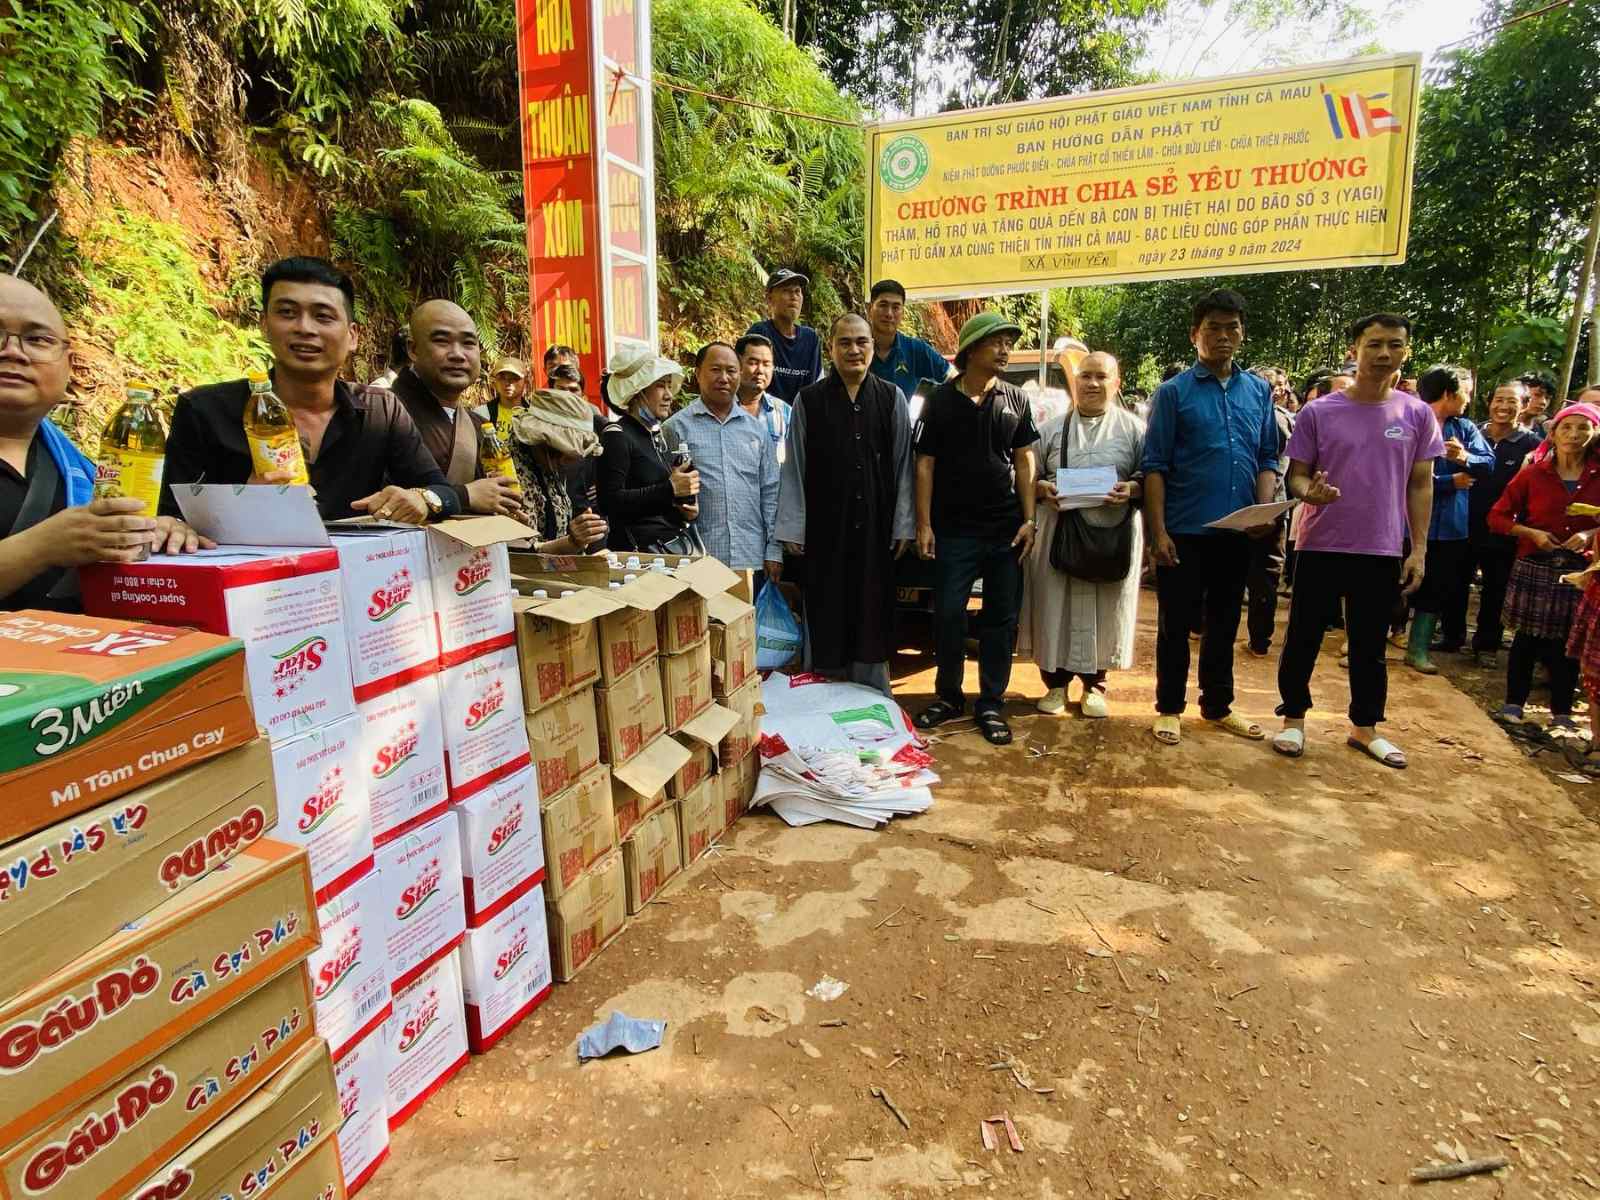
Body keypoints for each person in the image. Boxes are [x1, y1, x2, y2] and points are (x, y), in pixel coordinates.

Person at [162, 256, 463, 524]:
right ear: (264, 324)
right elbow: (170, 517)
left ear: (352, 336)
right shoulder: (204, 411)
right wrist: (242, 503)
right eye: (287, 313)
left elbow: (441, 490)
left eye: (323, 316)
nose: (305, 328)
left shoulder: (381, 411)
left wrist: (422, 499)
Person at [1270, 313, 1439, 769]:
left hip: (1381, 546)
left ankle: (1365, 728)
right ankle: (1293, 719)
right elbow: (1296, 476)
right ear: (1355, 350)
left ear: (1406, 351)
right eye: (1374, 344)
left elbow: (1420, 484)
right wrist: (1310, 493)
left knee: (1369, 644)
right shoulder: (1319, 412)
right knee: (1303, 636)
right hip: (1320, 542)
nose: (1384, 353)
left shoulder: (1416, 414)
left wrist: (1419, 548)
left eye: (1395, 345)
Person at [0, 275, 209, 610]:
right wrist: (43, 545)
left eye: (37, 339)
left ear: (68, 365)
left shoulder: (76, 470)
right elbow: (57, 542)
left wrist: (153, 533)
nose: (13, 352)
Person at [1141, 289, 1281, 747]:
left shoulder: (1258, 391)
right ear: (1194, 335)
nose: (1223, 336)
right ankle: (1169, 708)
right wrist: (1158, 532)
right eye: (1213, 328)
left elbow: (1266, 456)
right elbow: (1155, 466)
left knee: (1224, 620)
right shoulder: (1173, 393)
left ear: (1242, 333)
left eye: (1231, 327)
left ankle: (1218, 705)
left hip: (1238, 530)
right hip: (1184, 530)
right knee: (1175, 624)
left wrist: (1264, 510)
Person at [911, 311, 1039, 746]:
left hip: (1005, 530)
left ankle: (990, 702)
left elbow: (1025, 460)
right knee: (949, 614)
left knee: (1000, 619)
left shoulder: (1015, 399)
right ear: (970, 349)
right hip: (953, 531)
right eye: (996, 342)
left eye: (1008, 343)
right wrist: (924, 524)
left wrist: (1029, 520)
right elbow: (924, 465)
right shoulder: (939, 401)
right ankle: (949, 696)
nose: (1005, 350)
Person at [775, 313, 913, 697]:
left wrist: (904, 523)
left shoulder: (891, 398)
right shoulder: (809, 400)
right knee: (826, 606)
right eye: (845, 342)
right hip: (825, 529)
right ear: (831, 349)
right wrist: (793, 526)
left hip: (876, 529)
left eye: (861, 342)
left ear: (873, 346)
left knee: (871, 609)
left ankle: (873, 696)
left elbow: (903, 465)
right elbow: (794, 467)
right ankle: (822, 696)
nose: (854, 350)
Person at [1020, 351, 1144, 718]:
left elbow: (1149, 477)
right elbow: (1028, 475)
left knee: (1105, 609)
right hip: (1059, 533)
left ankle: (1095, 685)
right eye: (1085, 376)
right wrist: (1041, 489)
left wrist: (1132, 489)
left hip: (1112, 535)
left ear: (1116, 383)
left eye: (1101, 377)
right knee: (1054, 606)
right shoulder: (1050, 429)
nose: (1092, 383)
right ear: (1074, 382)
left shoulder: (1135, 430)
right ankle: (1055, 685)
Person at [1486, 402, 1600, 737]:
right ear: (1553, 433)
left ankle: (1562, 711)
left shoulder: (1598, 476)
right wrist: (1531, 533)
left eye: (1583, 428)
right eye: (1567, 427)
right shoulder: (1533, 473)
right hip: (1535, 563)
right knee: (1526, 637)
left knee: (1568, 642)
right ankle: (1513, 704)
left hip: (1582, 570)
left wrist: (1591, 534)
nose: (1574, 435)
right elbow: (1497, 517)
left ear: (1594, 434)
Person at [390, 300, 523, 517]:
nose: (458, 354)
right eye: (442, 341)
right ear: (413, 349)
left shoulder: (478, 426)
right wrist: (465, 496)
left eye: (468, 343)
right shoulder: (385, 415)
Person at [664, 342, 781, 576]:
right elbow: (664, 493)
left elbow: (771, 491)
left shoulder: (756, 431)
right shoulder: (675, 428)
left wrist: (774, 550)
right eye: (715, 370)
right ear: (698, 374)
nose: (724, 378)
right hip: (698, 558)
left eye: (731, 371)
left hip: (751, 557)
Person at [1408, 365, 1492, 668]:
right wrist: (1448, 483)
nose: (1468, 399)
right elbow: (1400, 474)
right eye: (1465, 393)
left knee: (1436, 587)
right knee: (1393, 584)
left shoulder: (1465, 428)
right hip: (1407, 523)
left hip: (1450, 527)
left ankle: (1417, 649)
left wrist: (1464, 457)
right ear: (1448, 393)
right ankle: (1367, 644)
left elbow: (1488, 464)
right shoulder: (1409, 422)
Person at [1461, 380, 1541, 667]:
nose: (1503, 407)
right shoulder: (1472, 434)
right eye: (1499, 400)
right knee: (1456, 580)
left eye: (1512, 401)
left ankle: (1486, 645)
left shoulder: (1532, 445)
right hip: (1465, 521)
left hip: (1504, 529)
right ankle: (1451, 635)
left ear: (1524, 406)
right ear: (1489, 402)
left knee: (1496, 587)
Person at [595, 347, 700, 554]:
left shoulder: (656, 436)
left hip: (667, 551)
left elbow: (655, 504)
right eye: (660, 386)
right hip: (635, 557)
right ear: (638, 391)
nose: (669, 395)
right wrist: (670, 488)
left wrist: (686, 510)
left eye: (669, 386)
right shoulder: (617, 435)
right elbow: (609, 502)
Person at [507, 387, 608, 554]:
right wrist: (572, 541)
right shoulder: (508, 470)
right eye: (558, 451)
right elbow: (521, 553)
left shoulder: (547, 466)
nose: (564, 462)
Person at [1245, 376, 1296, 656]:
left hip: (1255, 505)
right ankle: (1260, 640)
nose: (1281, 389)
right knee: (1265, 575)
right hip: (1272, 506)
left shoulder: (1274, 419)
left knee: (1255, 574)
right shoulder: (1280, 418)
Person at [865, 279, 952, 400]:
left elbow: (952, 376)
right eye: (883, 305)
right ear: (870, 308)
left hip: (903, 413)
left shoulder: (915, 349)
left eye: (896, 307)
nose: (889, 314)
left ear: (902, 312)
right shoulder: (857, 349)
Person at [746, 268, 821, 404]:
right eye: (786, 291)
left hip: (801, 414)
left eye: (797, 291)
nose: (794, 297)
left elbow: (815, 387)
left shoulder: (810, 339)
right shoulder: (760, 333)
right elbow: (747, 381)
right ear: (769, 299)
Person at [734, 333, 790, 465]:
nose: (760, 370)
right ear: (737, 365)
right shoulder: (721, 409)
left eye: (766, 364)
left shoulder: (784, 413)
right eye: (753, 363)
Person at [488, 356, 528, 433]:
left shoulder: (534, 414)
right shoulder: (482, 413)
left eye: (514, 378)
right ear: (495, 382)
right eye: (502, 378)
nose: (507, 383)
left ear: (525, 382)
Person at [1518, 371, 1555, 436]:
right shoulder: (1501, 426)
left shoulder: (1545, 435)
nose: (1543, 402)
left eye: (1547, 398)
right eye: (1537, 395)